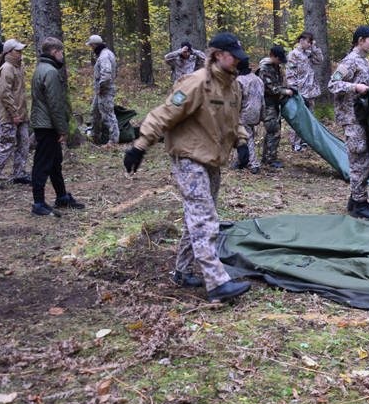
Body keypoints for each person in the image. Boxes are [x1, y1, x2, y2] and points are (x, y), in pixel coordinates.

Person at [122, 32, 252, 303]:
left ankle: (181, 272)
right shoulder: (195, 84)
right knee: (204, 219)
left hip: (213, 160)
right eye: (233, 57)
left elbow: (235, 120)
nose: (238, 62)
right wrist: (139, 146)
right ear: (218, 55)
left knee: (200, 215)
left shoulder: (233, 86)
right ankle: (217, 284)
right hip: (189, 158)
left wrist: (242, 142)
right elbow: (164, 114)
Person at [329, 25, 369, 220]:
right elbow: (332, 84)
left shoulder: (363, 60)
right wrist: (355, 87)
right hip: (351, 119)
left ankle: (356, 198)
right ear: (361, 40)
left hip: (363, 117)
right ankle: (360, 205)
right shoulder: (350, 61)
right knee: (359, 161)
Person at [29, 37, 84, 216]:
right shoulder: (50, 72)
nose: (62, 57)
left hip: (46, 124)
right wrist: (62, 129)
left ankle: (61, 197)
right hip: (47, 126)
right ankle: (38, 203)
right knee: (43, 163)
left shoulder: (41, 69)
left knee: (54, 163)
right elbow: (55, 104)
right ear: (54, 53)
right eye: (61, 53)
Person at [0, 39, 31, 190]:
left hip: (20, 112)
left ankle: (19, 174)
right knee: (7, 144)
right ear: (9, 52)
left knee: (24, 143)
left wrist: (23, 113)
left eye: (21, 51)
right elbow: (4, 93)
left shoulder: (18, 67)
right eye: (18, 51)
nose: (21, 53)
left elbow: (19, 93)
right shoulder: (7, 68)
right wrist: (14, 113)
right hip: (9, 114)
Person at [258, 46, 295, 168]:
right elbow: (268, 88)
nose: (281, 62)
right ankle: (270, 160)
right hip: (267, 105)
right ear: (272, 56)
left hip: (275, 104)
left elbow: (279, 83)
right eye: (279, 59)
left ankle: (267, 158)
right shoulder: (264, 69)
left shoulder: (277, 68)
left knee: (273, 131)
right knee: (274, 132)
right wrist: (284, 91)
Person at [285, 31, 323, 152]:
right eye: (308, 42)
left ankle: (304, 139)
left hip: (311, 89)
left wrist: (314, 47)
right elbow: (290, 73)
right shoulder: (293, 54)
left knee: (309, 116)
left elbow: (320, 60)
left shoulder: (309, 53)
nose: (309, 44)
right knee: (299, 117)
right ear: (301, 41)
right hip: (300, 90)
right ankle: (295, 142)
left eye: (310, 42)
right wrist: (293, 89)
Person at [87, 34, 119, 145]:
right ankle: (94, 137)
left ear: (94, 45)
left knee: (108, 116)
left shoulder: (104, 56)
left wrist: (101, 87)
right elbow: (116, 71)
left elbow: (107, 75)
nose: (91, 48)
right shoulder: (108, 53)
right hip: (101, 91)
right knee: (94, 113)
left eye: (91, 46)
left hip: (105, 91)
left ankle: (113, 141)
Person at [235, 59, 263, 174]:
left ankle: (253, 164)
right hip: (257, 111)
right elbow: (262, 95)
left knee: (247, 137)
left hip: (245, 112)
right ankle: (242, 160)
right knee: (246, 135)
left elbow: (237, 99)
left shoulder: (239, 80)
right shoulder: (257, 79)